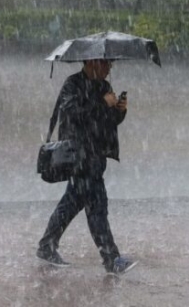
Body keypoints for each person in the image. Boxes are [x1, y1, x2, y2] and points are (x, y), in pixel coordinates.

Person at [37, 59, 137, 275]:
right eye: (106, 64)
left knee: (71, 204)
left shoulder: (104, 86)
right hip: (80, 157)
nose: (110, 68)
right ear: (92, 63)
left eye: (110, 64)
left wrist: (119, 111)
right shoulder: (72, 84)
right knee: (97, 208)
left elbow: (107, 120)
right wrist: (102, 103)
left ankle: (47, 245)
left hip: (96, 156)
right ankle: (111, 259)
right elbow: (73, 115)